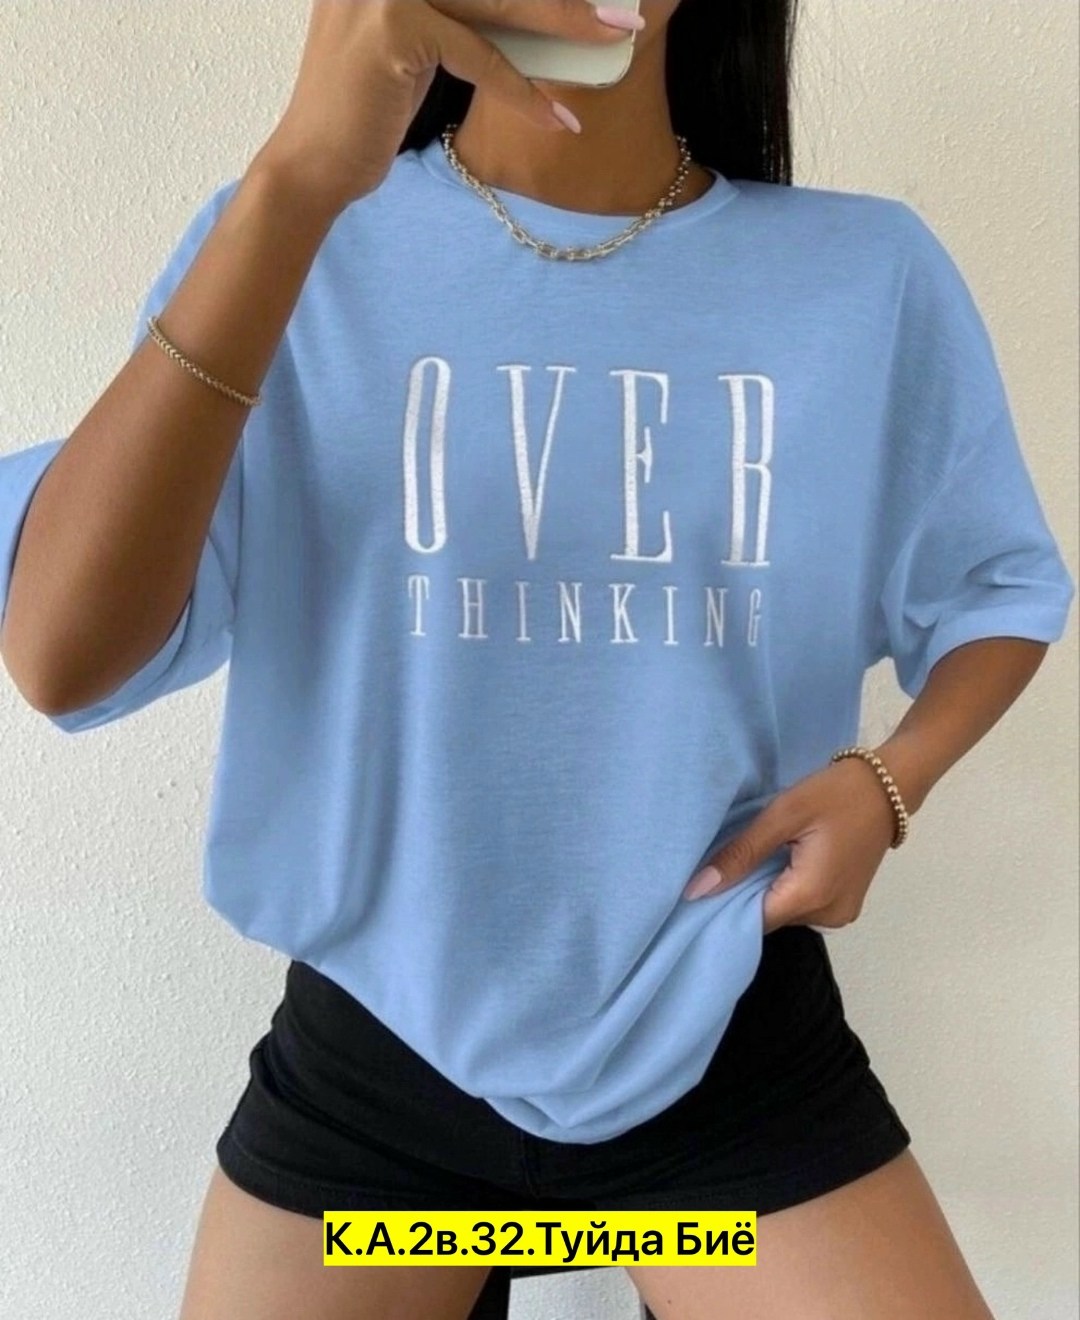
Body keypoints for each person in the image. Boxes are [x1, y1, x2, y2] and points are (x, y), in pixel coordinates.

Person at [0, 1, 1074, 1316]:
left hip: (722, 1081)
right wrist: (297, 180)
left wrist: (893, 781)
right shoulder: (293, 241)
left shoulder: (865, 276)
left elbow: (997, 583)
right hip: (381, 1103)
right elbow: (63, 659)